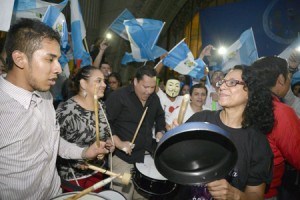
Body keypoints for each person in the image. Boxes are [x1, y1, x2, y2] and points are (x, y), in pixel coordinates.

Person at [0, 18, 107, 200]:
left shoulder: (46, 96)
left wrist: (82, 152)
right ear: (20, 59)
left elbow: (52, 141)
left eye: (58, 59)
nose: (58, 68)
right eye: (50, 59)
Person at [173, 65, 274, 200]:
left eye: (232, 82)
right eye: (222, 82)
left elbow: (256, 194)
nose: (221, 87)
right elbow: (177, 161)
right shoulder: (201, 119)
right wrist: (173, 142)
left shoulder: (257, 142)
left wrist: (235, 195)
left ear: (250, 91)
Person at [105, 65, 166, 200]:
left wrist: (160, 130)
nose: (149, 91)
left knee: (142, 196)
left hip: (145, 156)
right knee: (123, 195)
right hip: (123, 159)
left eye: (152, 87)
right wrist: (119, 143)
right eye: (145, 87)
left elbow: (160, 116)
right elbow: (105, 123)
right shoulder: (119, 96)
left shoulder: (153, 98)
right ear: (135, 81)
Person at [56, 65, 114, 192]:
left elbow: (105, 133)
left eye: (104, 81)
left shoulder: (101, 106)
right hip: (72, 179)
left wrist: (109, 143)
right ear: (83, 83)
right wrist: (80, 160)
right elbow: (54, 145)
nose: (104, 84)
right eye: (98, 81)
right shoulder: (66, 109)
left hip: (97, 174)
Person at [249, 56, 300, 200]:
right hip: (265, 194)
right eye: (288, 76)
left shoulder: (244, 104)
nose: (290, 81)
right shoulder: (281, 112)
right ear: (280, 79)